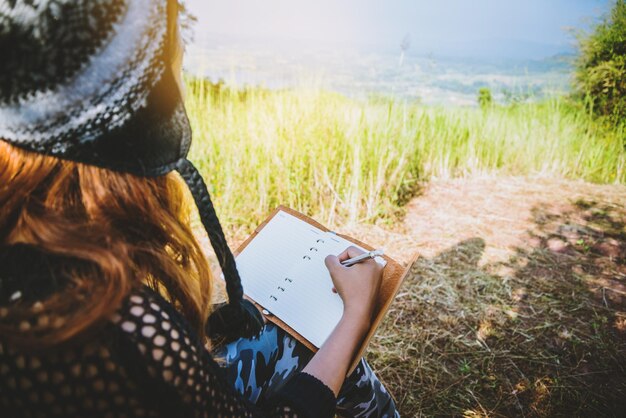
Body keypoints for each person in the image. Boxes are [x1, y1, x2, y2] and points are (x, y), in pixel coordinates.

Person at [0, 1, 399, 417]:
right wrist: (353, 316)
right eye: (176, 73)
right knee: (332, 359)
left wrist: (207, 324)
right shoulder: (126, 331)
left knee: (277, 337)